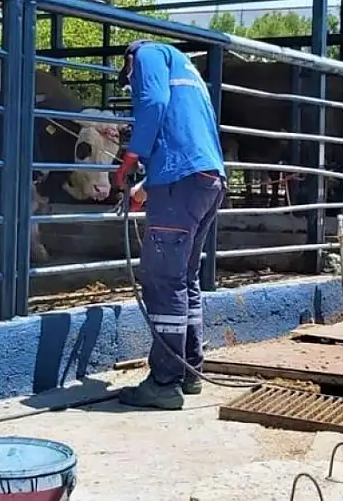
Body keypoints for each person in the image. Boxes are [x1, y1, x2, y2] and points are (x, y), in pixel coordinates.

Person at [112, 40, 227, 410]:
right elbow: (184, 140)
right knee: (185, 278)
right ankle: (190, 369)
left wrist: (130, 160)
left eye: (129, 81)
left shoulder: (146, 55)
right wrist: (148, 190)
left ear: (129, 62)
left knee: (162, 281)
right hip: (206, 181)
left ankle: (164, 381)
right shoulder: (188, 72)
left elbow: (154, 103)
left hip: (180, 185)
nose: (132, 85)